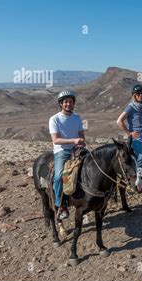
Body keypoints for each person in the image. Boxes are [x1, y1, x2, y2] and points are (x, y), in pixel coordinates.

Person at [49, 90, 86, 220]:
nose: (68, 104)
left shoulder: (77, 117)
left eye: (70, 101)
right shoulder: (54, 119)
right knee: (59, 176)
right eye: (65, 102)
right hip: (62, 151)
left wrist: (81, 142)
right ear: (61, 104)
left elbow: (81, 134)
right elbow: (56, 140)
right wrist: (74, 140)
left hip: (77, 149)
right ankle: (60, 205)